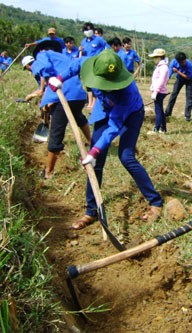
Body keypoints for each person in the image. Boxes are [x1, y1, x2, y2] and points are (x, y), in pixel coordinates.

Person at [48, 49, 163, 228]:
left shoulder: (126, 92)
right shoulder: (90, 63)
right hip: (103, 108)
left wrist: (93, 151)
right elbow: (75, 65)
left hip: (131, 113)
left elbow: (114, 126)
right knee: (95, 164)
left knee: (126, 156)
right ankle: (91, 211)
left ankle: (155, 201)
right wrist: (60, 78)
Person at [30, 40, 91, 179]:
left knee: (56, 132)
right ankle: (91, 142)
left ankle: (48, 172)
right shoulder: (65, 57)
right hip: (79, 96)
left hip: (63, 95)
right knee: (78, 117)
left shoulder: (43, 54)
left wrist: (49, 89)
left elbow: (45, 68)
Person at [79, 22, 109, 110]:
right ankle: (90, 102)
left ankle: (96, 102)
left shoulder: (99, 40)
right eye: (86, 30)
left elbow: (107, 48)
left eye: (89, 29)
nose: (88, 31)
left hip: (96, 65)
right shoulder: (83, 41)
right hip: (86, 65)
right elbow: (83, 53)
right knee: (88, 84)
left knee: (96, 84)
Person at [164, 52, 192, 121]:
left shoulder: (189, 64)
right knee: (173, 94)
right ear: (178, 62)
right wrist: (165, 82)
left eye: (184, 61)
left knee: (189, 97)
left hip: (189, 79)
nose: (184, 63)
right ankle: (167, 113)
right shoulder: (173, 62)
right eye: (182, 63)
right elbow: (169, 74)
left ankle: (187, 116)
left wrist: (177, 72)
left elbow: (187, 77)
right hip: (179, 79)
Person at [148, 48, 169, 134]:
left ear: (159, 57)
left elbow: (161, 81)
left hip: (159, 92)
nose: (154, 59)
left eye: (155, 57)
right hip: (158, 91)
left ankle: (156, 129)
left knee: (158, 111)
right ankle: (163, 128)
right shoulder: (159, 66)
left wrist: (155, 92)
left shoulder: (164, 68)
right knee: (160, 110)